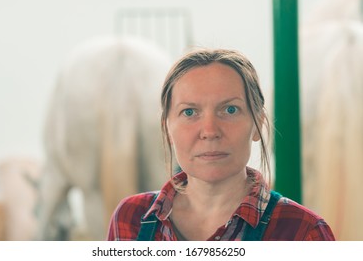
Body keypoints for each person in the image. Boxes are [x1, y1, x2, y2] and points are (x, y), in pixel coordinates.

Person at [106, 48, 335, 241]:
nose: (210, 131)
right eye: (189, 112)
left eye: (230, 110)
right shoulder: (131, 219)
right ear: (167, 129)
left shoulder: (304, 233)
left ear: (257, 125)